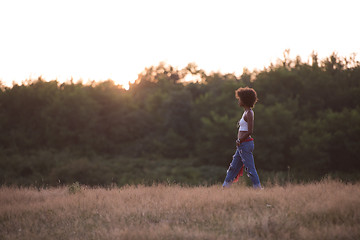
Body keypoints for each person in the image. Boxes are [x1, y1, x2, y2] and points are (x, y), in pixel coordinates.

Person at [222, 87, 262, 189]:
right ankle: (225, 188)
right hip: (242, 145)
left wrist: (240, 140)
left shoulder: (249, 113)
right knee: (233, 167)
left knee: (250, 168)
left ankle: (258, 188)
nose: (238, 101)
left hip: (245, 144)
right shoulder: (245, 112)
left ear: (245, 100)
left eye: (240, 99)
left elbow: (250, 131)